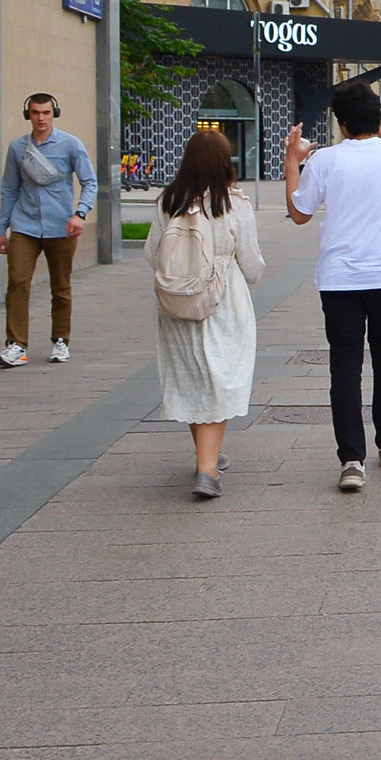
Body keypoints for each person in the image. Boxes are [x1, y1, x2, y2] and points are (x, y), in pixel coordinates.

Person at [284, 83, 381, 492]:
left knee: (345, 366)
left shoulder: (325, 160)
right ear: (378, 116)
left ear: (341, 123)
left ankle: (351, 461)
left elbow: (299, 213)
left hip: (339, 281)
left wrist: (293, 160)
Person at [151, 131, 265, 499]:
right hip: (223, 303)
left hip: (177, 304)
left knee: (193, 378)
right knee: (220, 379)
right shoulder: (233, 204)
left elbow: (152, 254)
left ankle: (208, 454)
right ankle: (207, 470)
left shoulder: (168, 201)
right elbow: (252, 267)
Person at [0, 92, 98, 368]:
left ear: (54, 114)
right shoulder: (18, 148)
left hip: (61, 226)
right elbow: (9, 189)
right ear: (28, 115)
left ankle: (60, 340)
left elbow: (90, 182)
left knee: (60, 285)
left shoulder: (70, 144)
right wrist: (2, 229)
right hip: (25, 225)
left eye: (46, 112)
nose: (41, 118)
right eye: (35, 112)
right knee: (17, 282)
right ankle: (16, 345)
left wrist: (80, 214)